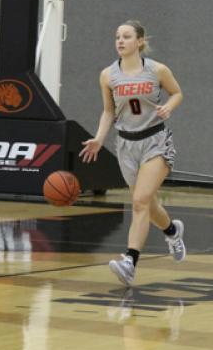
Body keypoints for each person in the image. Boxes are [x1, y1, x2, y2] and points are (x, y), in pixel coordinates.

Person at [79, 20, 186, 286]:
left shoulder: (157, 69)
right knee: (147, 204)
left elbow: (177, 93)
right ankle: (172, 232)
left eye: (126, 36)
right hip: (126, 145)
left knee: (139, 201)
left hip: (155, 141)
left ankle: (130, 262)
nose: (120, 40)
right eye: (117, 36)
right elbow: (109, 111)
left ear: (139, 41)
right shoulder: (107, 75)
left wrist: (169, 108)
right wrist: (99, 138)